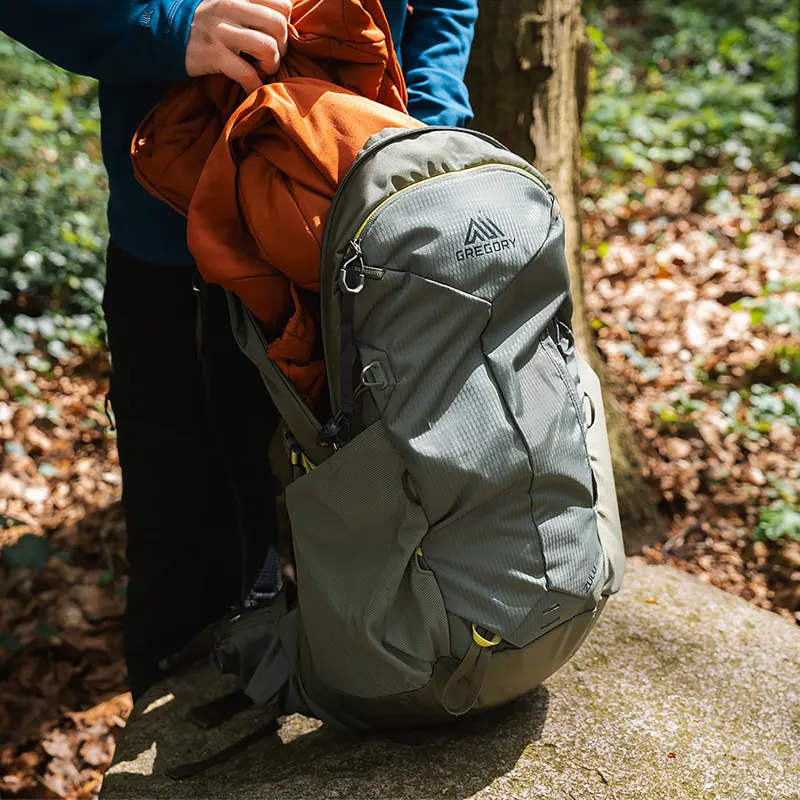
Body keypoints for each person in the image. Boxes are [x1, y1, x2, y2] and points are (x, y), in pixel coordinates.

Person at [4, 0, 479, 701]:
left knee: (393, 537)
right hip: (182, 237)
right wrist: (168, 25)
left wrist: (422, 132)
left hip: (373, 225)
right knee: (189, 582)